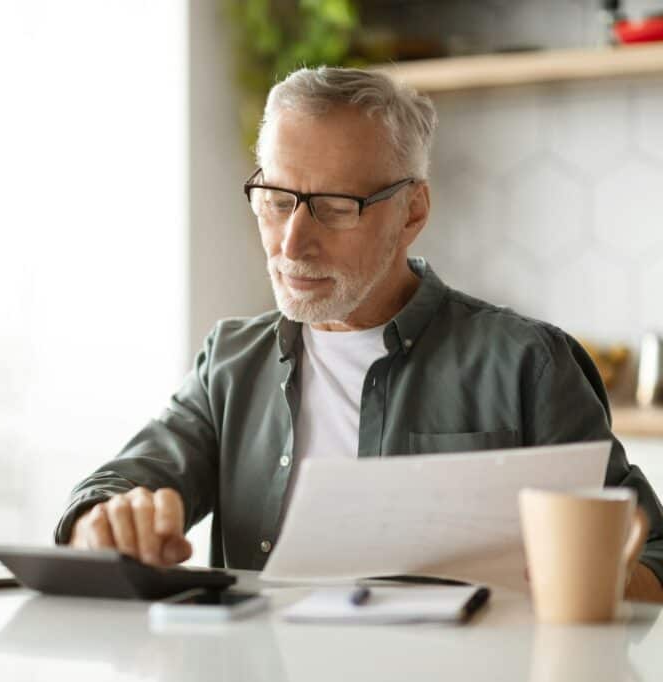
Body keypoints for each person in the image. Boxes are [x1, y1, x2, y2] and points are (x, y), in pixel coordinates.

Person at [54, 66, 663, 600]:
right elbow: (117, 484)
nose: (292, 243)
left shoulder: (529, 363)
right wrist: (104, 524)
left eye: (336, 206)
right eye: (275, 198)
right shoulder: (230, 362)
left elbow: (654, 558)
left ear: (413, 213)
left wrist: (597, 578)